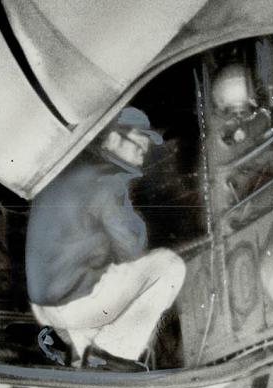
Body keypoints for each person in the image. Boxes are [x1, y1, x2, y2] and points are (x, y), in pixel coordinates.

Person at [25, 106, 187, 371]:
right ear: (112, 139)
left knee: (108, 282)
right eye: (138, 142)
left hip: (45, 307)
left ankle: (84, 361)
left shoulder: (64, 172)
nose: (142, 151)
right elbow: (131, 249)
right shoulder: (108, 182)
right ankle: (114, 357)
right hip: (74, 303)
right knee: (169, 265)